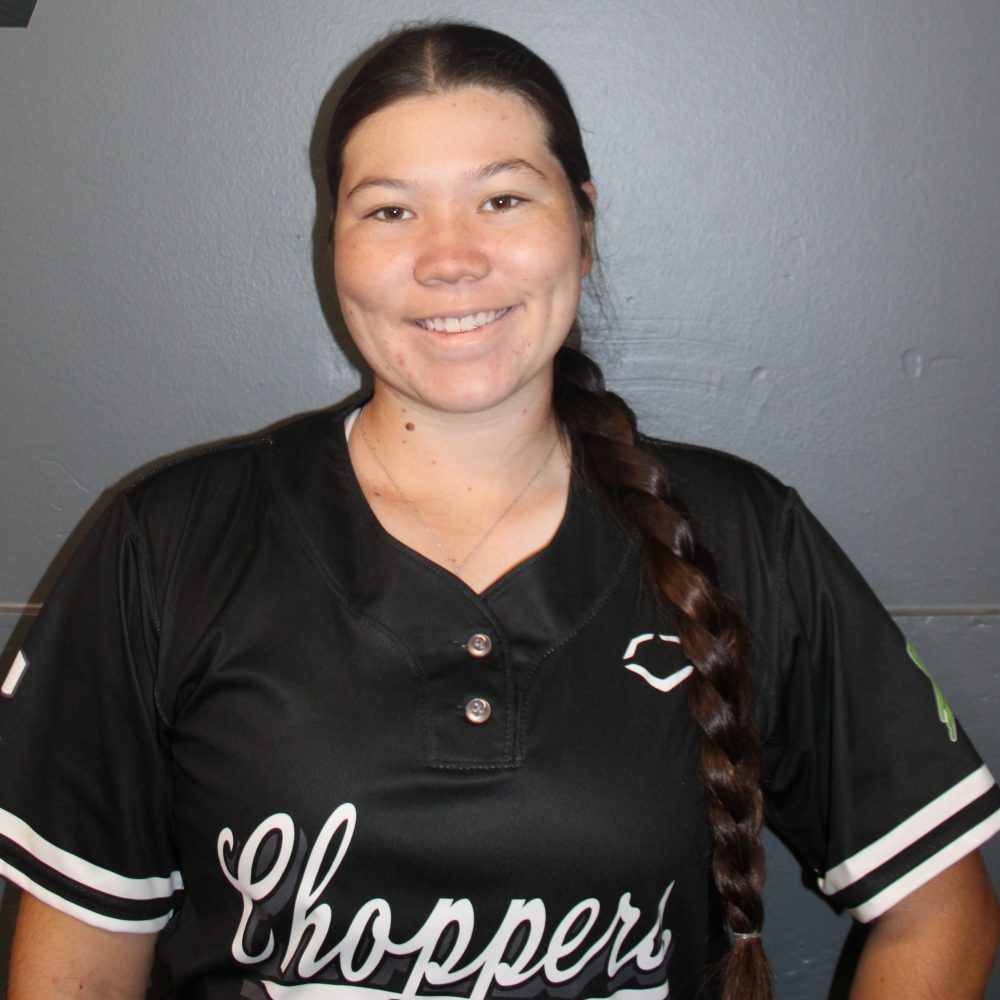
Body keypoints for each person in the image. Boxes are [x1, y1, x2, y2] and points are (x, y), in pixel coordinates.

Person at [1, 21, 998, 1000]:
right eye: (390, 210)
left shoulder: (740, 535)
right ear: (332, 243)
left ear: (584, 226)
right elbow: (79, 969)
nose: (450, 257)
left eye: (503, 199)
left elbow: (941, 912)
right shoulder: (168, 542)